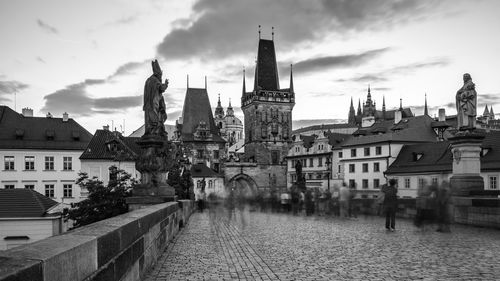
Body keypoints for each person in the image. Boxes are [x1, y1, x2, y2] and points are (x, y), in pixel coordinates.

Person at [143, 60, 169, 136]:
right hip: (153, 103)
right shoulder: (155, 80)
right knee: (156, 119)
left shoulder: (148, 80)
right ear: (158, 74)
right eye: (160, 75)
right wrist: (166, 84)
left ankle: (151, 131)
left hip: (148, 104)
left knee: (150, 120)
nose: (161, 77)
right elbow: (161, 88)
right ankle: (155, 131)